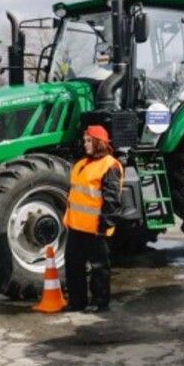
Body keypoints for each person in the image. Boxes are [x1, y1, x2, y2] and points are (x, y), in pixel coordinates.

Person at [63, 125, 123, 313]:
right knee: (73, 266)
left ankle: (100, 302)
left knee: (99, 267)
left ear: (99, 143)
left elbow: (111, 200)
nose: (85, 144)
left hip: (96, 229)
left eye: (89, 141)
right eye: (85, 140)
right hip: (76, 227)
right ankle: (77, 301)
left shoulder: (110, 165)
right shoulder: (81, 164)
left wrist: (104, 225)